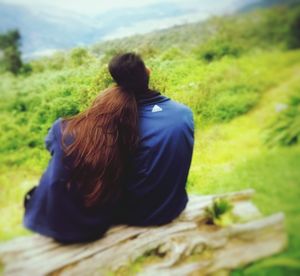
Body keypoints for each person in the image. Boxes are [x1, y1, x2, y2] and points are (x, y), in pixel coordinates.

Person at [23, 52, 194, 243]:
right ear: (148, 71)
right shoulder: (184, 114)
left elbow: (54, 148)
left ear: (115, 82)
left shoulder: (121, 125)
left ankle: (52, 210)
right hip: (174, 207)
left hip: (132, 215)